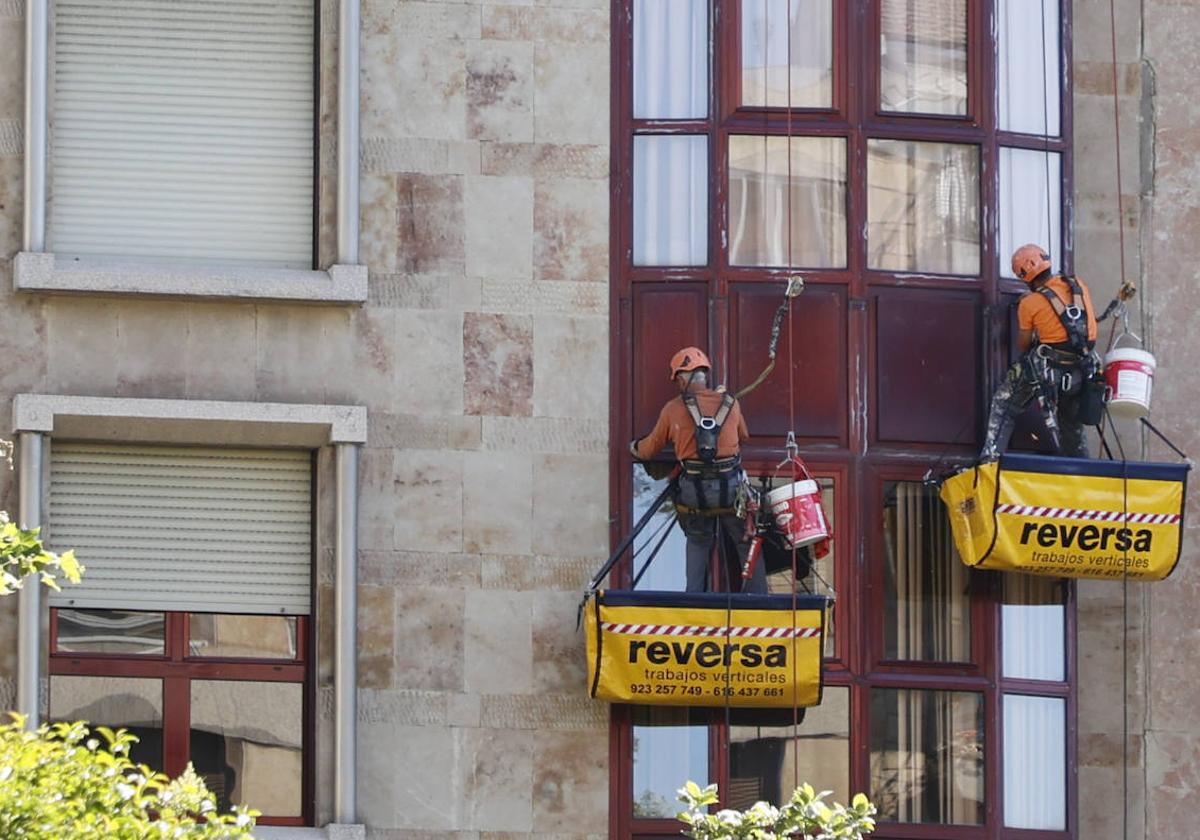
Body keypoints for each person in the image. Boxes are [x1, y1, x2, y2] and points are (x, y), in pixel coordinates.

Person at [630, 347, 767, 594]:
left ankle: (693, 600)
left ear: (682, 378)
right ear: (705, 375)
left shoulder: (673, 409)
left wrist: (634, 447)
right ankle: (761, 603)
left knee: (698, 541)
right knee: (745, 540)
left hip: (694, 494)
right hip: (731, 492)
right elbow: (744, 436)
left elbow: (649, 450)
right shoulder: (731, 404)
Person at [980, 244, 1101, 461]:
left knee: (1004, 404)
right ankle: (1081, 469)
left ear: (1024, 275)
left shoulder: (1029, 303)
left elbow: (1024, 345)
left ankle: (990, 461)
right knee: (1070, 424)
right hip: (1081, 371)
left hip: (1049, 370)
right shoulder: (1078, 285)